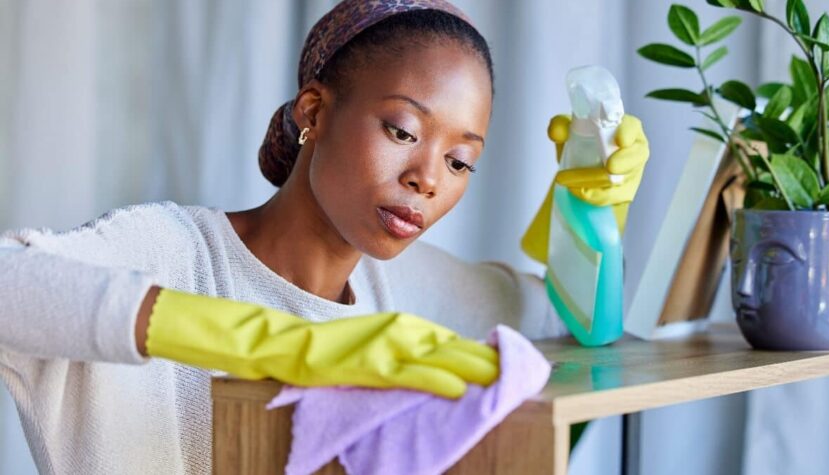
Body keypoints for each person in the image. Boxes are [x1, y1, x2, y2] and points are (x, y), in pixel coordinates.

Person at [0, 0, 649, 473]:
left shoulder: (409, 286)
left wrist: (589, 211)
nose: (427, 178)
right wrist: (281, 342)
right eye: (402, 130)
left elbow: (577, 325)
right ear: (314, 111)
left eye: (459, 162)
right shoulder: (173, 251)